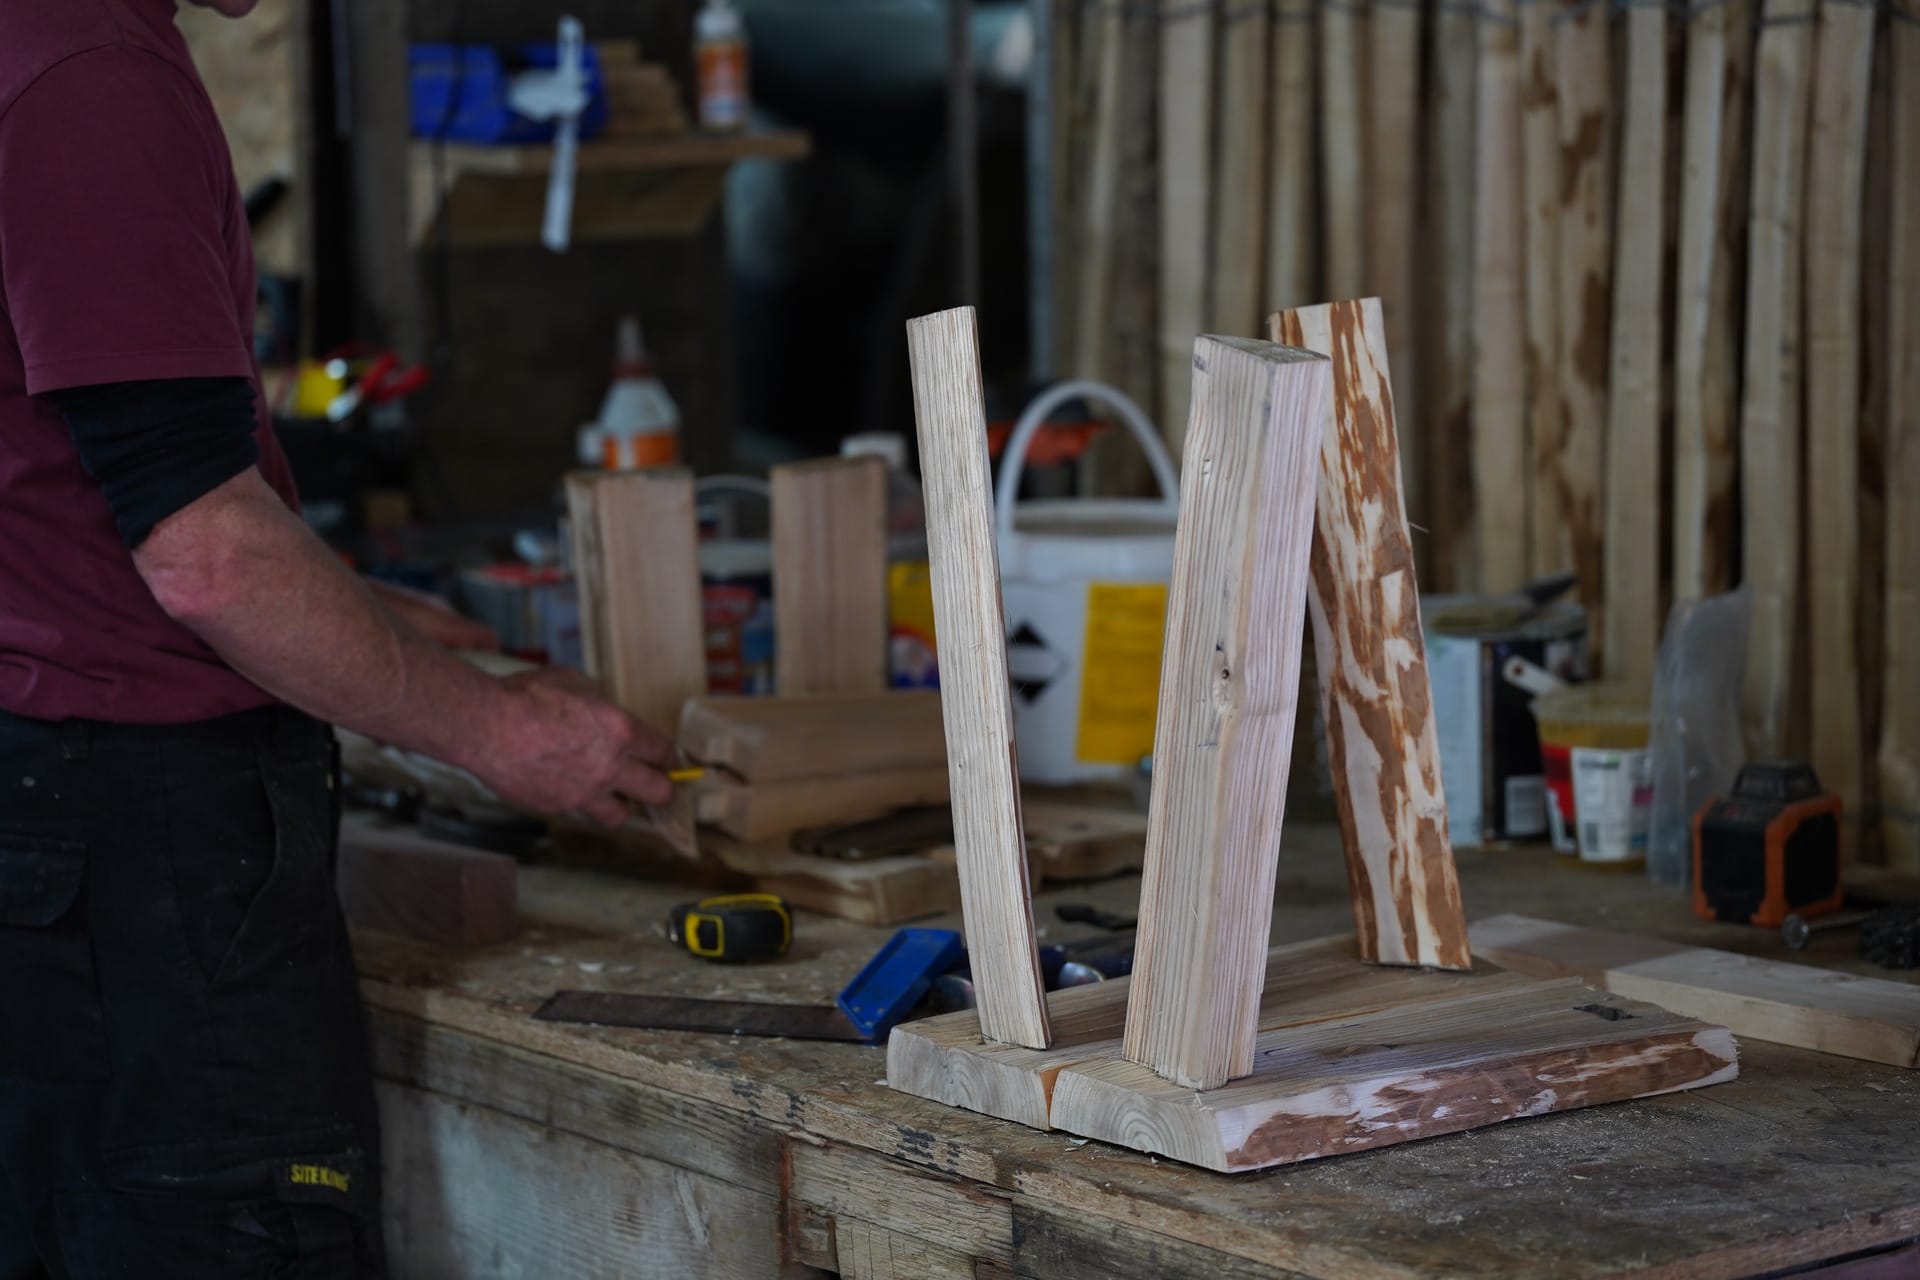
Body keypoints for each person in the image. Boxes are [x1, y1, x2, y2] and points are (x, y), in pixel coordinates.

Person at [0, 1, 676, 1273]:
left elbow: (71, 484)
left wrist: (348, 609)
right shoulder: (88, 74)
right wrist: (497, 730)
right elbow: (205, 558)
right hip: (139, 856)